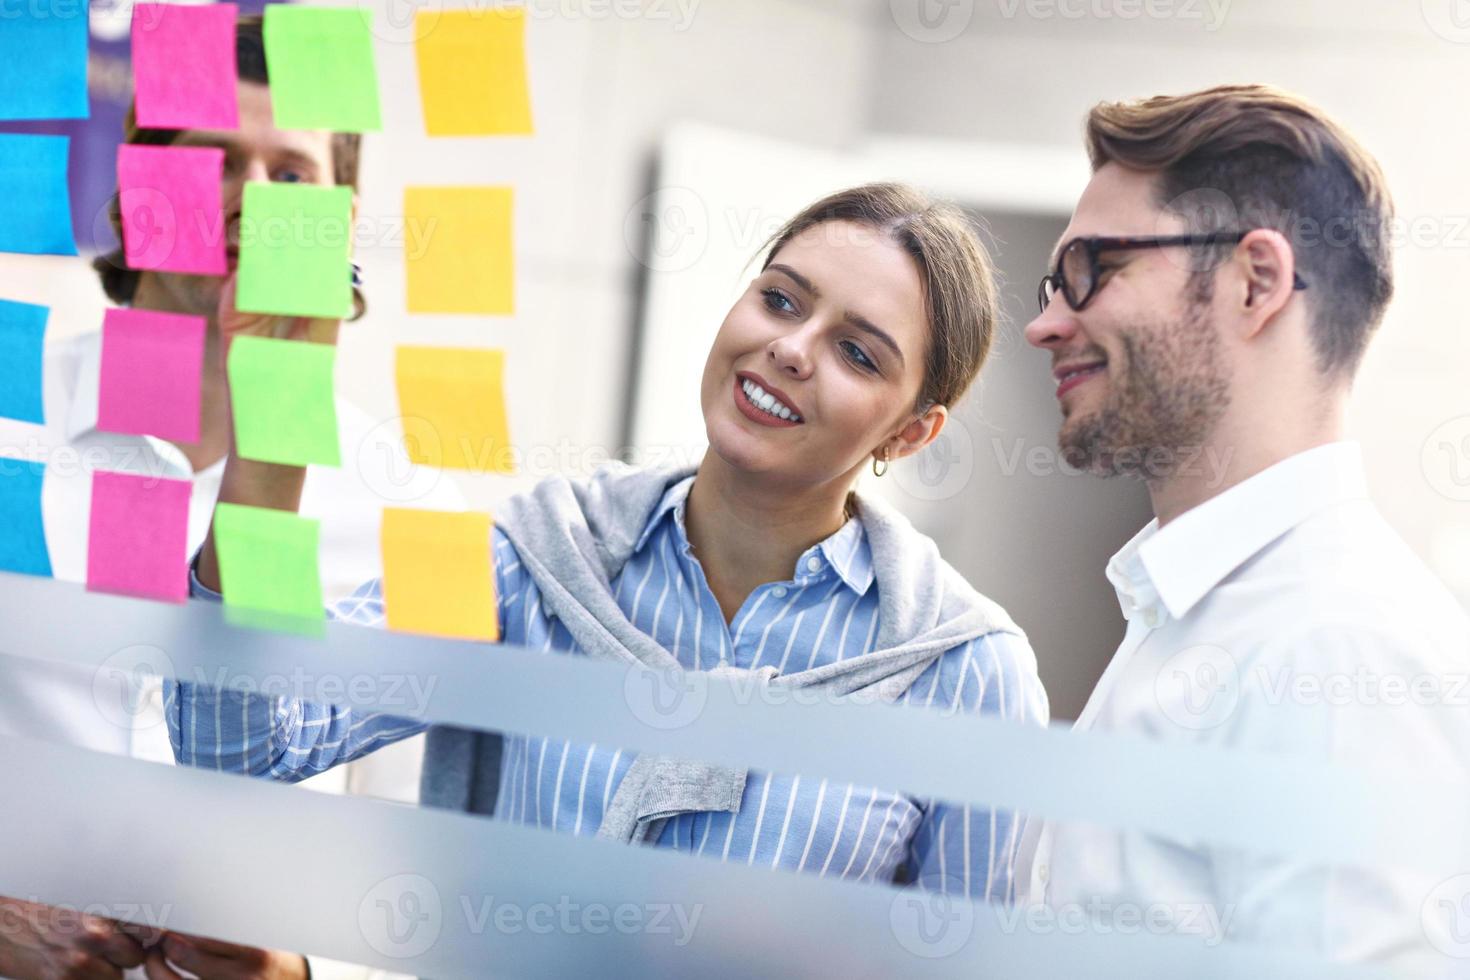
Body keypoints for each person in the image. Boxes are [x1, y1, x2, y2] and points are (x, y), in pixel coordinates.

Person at [168, 182, 1050, 904]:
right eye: (779, 299)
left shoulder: (965, 677)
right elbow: (246, 743)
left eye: (858, 353)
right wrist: (275, 421)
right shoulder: (532, 559)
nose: (790, 347)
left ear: (909, 434)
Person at [0, 16, 457, 980]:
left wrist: (301, 970)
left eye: (292, 175)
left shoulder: (423, 518)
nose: (251, 203)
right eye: (210, 159)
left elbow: (431, 868)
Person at [1019, 84, 1470, 970]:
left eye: (1090, 270)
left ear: (1255, 281)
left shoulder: (1334, 650)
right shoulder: (1197, 610)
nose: (1042, 325)